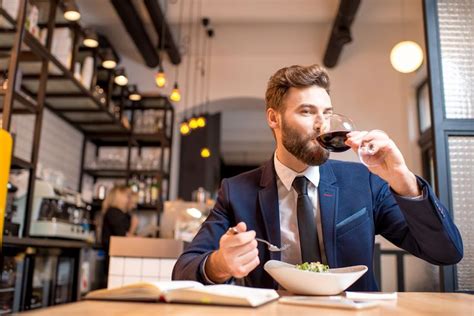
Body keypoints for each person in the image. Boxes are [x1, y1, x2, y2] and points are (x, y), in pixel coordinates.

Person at [172, 64, 463, 291]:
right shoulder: (236, 191)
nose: (322, 124)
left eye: (327, 112)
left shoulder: (365, 182)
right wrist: (219, 265)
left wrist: (402, 179)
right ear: (274, 118)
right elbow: (183, 270)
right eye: (307, 112)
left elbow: (446, 252)